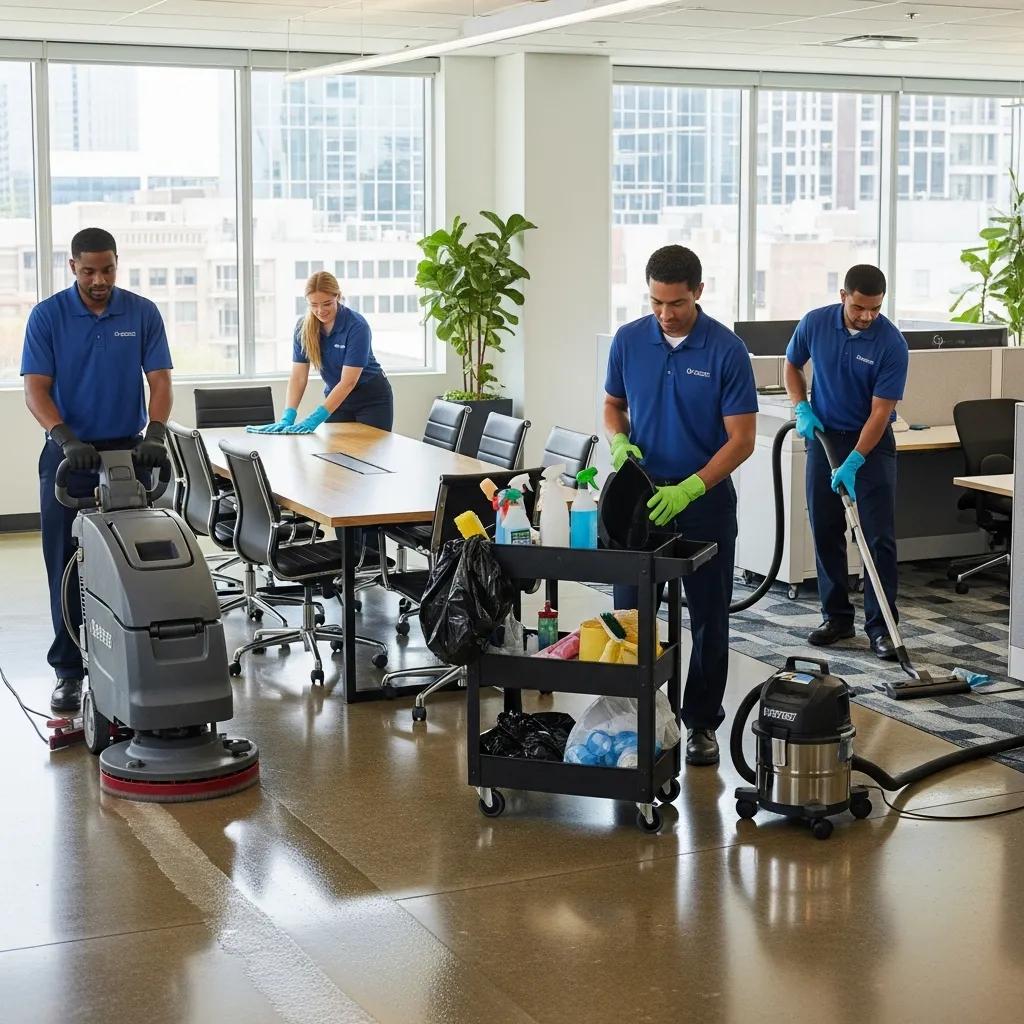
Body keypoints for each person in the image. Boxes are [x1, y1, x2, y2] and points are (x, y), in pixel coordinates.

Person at [604, 245, 757, 767]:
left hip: (704, 504)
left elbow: (741, 440)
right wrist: (619, 440)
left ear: (698, 293)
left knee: (710, 618)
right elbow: (613, 404)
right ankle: (632, 716)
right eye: (656, 302)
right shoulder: (629, 340)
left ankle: (701, 723)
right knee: (628, 616)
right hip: (642, 500)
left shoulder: (726, 350)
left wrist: (691, 488)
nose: (665, 314)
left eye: (676, 303)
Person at [21, 227, 173, 711]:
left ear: (116, 263)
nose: (99, 280)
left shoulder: (142, 312)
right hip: (69, 454)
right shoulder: (48, 316)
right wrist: (64, 437)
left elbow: (160, 379)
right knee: (65, 563)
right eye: (89, 271)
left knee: (134, 563)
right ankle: (69, 671)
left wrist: (155, 432)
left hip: (128, 452)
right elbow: (36, 388)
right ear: (73, 267)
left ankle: (134, 660)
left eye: (107, 269)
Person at [784, 264, 909, 660]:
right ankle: (836, 618)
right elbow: (791, 364)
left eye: (875, 308)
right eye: (859, 307)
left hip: (870, 443)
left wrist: (855, 459)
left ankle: (882, 628)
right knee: (825, 528)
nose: (867, 316)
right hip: (824, 438)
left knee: (876, 538)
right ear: (843, 296)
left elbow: (880, 412)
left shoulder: (891, 343)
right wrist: (801, 406)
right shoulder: (815, 323)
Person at [251, 270, 394, 561]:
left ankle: (372, 557)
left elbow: (349, 382)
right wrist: (289, 415)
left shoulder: (356, 326)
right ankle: (348, 557)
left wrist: (315, 417)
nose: (321, 310)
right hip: (337, 401)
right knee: (338, 476)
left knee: (367, 474)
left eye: (327, 303)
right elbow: (298, 376)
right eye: (314, 304)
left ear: (338, 297)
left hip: (371, 400)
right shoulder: (304, 327)